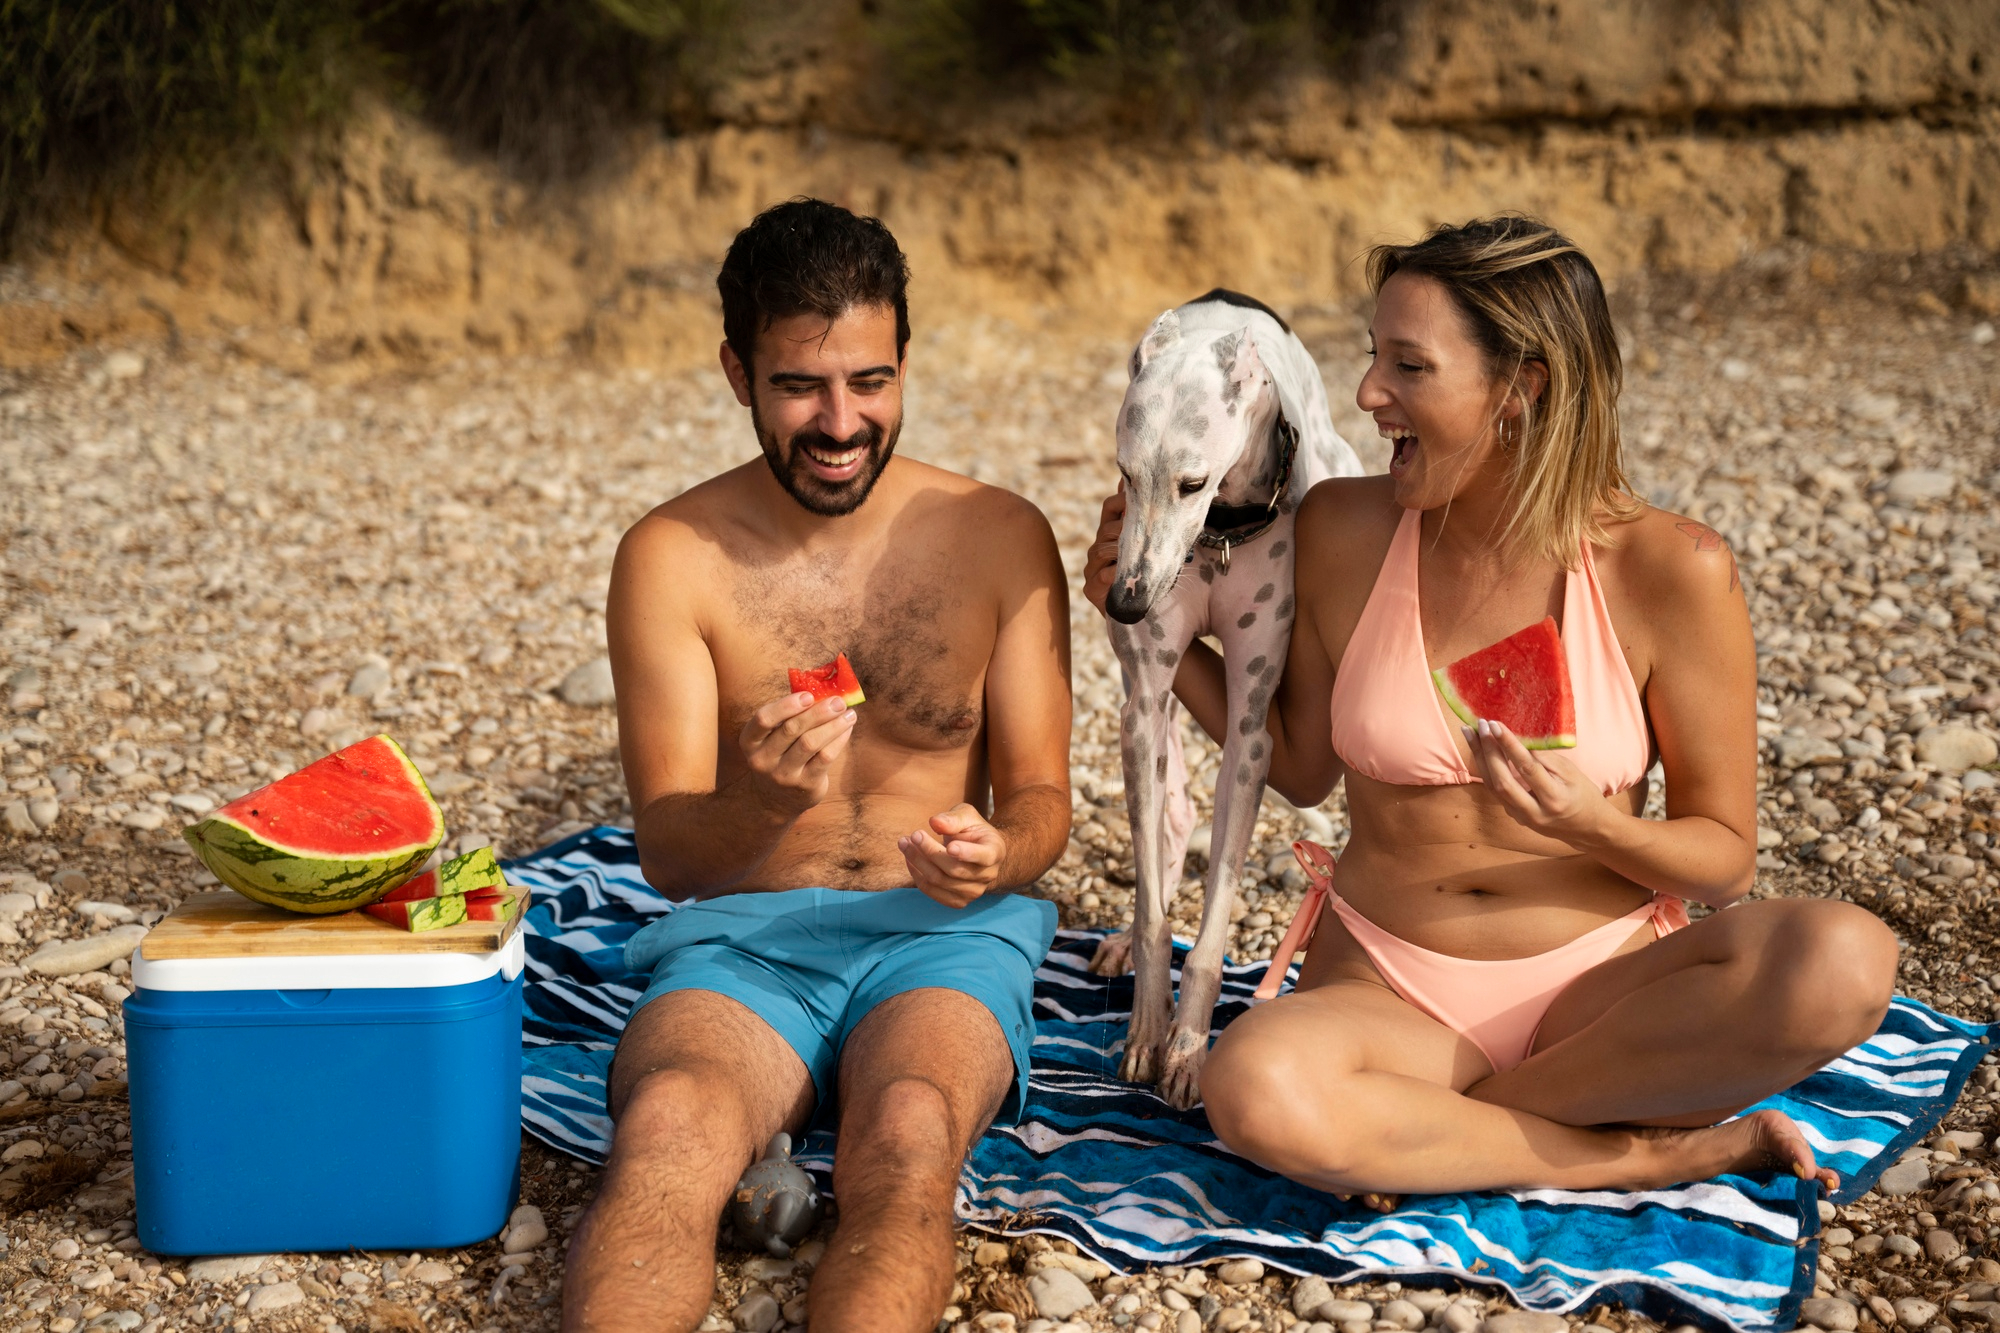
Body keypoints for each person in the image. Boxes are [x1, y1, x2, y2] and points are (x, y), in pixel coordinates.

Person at [1083, 216, 1899, 1197]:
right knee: (1252, 1086)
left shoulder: (1670, 568)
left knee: (1845, 958)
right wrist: (1148, 627)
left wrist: (1594, 824)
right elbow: (1296, 766)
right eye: (1371, 356)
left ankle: (1442, 1133)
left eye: (1407, 366)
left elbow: (1724, 858)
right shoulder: (1341, 527)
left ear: (1521, 387)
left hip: (1601, 997)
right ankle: (1646, 1151)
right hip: (1386, 991)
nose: (1366, 393)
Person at [565, 198, 1073, 1333]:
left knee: (907, 1131)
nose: (841, 424)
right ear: (737, 374)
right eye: (799, 386)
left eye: (870, 382)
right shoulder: (670, 557)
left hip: (944, 933)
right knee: (669, 1126)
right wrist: (757, 800)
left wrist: (996, 854)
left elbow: (1044, 800)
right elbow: (669, 854)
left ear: (904, 364)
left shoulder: (1001, 535)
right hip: (742, 940)